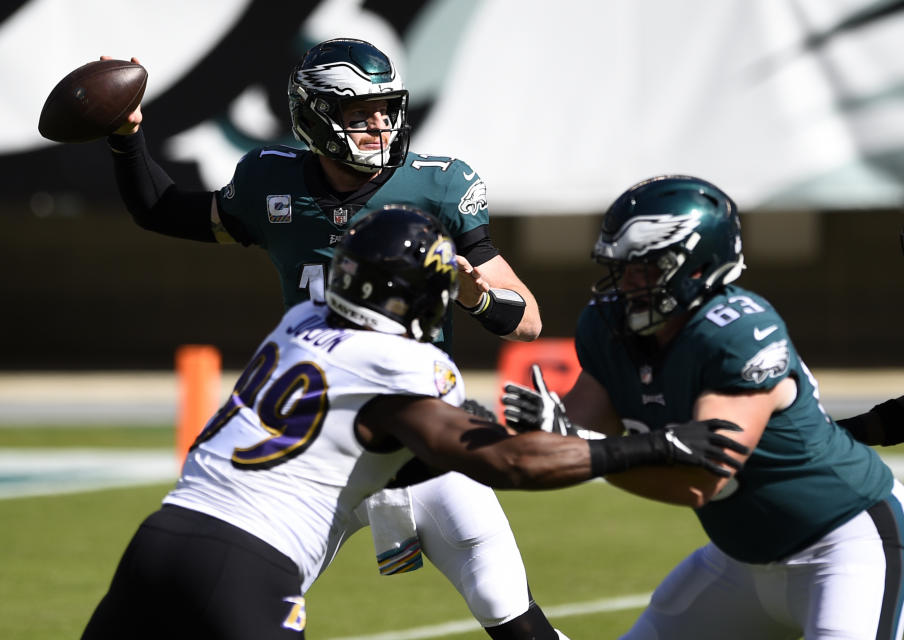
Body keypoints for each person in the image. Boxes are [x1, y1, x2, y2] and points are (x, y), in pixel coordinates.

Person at [81, 206, 747, 639]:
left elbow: (395, 445)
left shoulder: (300, 321)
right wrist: (647, 445)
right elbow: (502, 465)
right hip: (249, 566)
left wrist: (491, 425)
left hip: (160, 538)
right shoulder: (399, 363)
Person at [100, 37, 560, 638]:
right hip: (321, 449)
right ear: (315, 115)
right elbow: (164, 210)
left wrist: (475, 296)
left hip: (422, 432)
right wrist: (126, 136)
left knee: (512, 613)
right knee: (229, 592)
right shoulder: (271, 181)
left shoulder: (438, 185)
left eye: (385, 108)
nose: (378, 125)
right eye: (357, 113)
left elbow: (527, 319)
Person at [502, 175, 904, 640]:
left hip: (844, 543)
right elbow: (563, 440)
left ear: (700, 266)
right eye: (624, 267)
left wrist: (583, 447)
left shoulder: (738, 331)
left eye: (648, 268)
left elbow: (701, 478)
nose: (629, 283)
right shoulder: (608, 327)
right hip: (741, 559)